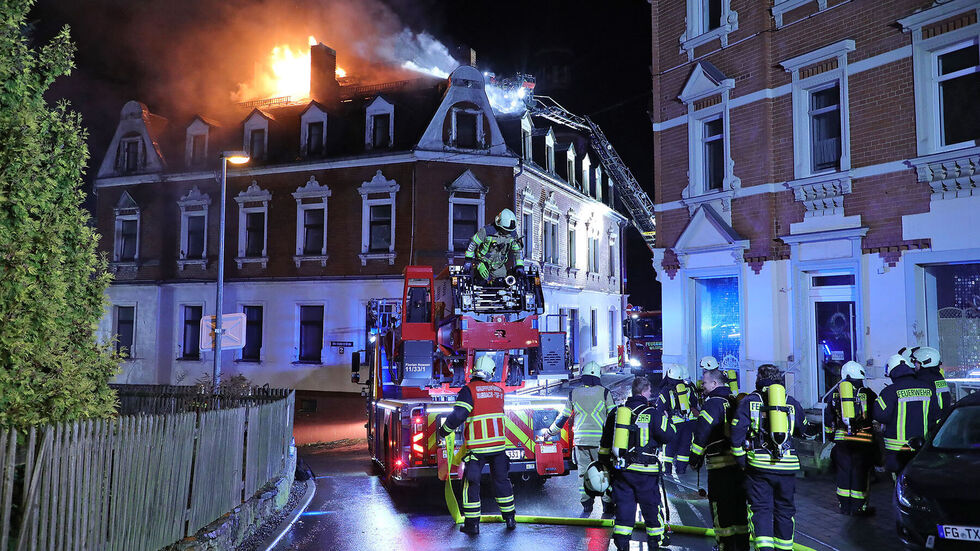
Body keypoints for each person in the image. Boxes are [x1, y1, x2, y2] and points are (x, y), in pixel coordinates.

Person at [730, 364, 807, 551]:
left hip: (759, 466)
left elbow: (736, 433)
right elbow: (802, 429)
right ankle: (785, 548)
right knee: (785, 510)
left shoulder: (750, 401)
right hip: (787, 466)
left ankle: (764, 549)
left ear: (759, 378)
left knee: (761, 509)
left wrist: (742, 461)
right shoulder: (791, 402)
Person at [438, 355, 516, 534]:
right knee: (502, 481)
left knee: (471, 484)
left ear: (474, 370)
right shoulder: (498, 391)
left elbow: (458, 415)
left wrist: (444, 431)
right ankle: (510, 519)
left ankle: (472, 525)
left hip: (477, 450)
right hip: (498, 448)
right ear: (491, 372)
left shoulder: (469, 390)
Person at [599, 376, 674, 551]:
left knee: (624, 510)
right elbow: (668, 436)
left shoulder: (617, 414)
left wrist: (605, 467)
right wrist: (667, 420)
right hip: (646, 473)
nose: (650, 394)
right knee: (651, 509)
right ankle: (655, 543)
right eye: (649, 391)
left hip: (622, 472)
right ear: (644, 392)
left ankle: (622, 545)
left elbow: (604, 445)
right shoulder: (653, 413)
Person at [688, 368, 749, 551]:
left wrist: (694, 457)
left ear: (714, 384)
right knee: (739, 508)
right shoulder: (734, 401)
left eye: (705, 383)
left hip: (719, 466)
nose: (702, 386)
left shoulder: (712, 404)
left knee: (721, 509)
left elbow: (702, 433)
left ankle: (725, 546)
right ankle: (742, 546)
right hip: (738, 466)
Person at [545, 361, 616, 513]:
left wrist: (549, 432)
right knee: (604, 471)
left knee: (583, 473)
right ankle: (607, 504)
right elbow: (613, 417)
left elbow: (562, 418)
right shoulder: (604, 393)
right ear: (597, 376)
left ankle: (586, 503)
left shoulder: (574, 394)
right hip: (600, 442)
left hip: (581, 441)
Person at [823, 361, 878, 516]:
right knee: (860, 473)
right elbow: (876, 414)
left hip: (842, 440)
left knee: (843, 473)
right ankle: (859, 507)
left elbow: (829, 418)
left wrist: (831, 434)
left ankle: (844, 505)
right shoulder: (868, 393)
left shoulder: (835, 393)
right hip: (864, 440)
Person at [872, 354, 939, 474]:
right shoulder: (928, 389)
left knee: (900, 484)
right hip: (921, 447)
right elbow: (936, 416)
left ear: (892, 372)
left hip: (897, 450)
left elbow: (880, 415)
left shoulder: (889, 391)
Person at [462, 208, 524, 282]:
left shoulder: (513, 235)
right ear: (499, 225)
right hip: (482, 263)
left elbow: (517, 251)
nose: (507, 232)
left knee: (501, 283)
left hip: (498, 266)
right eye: (505, 230)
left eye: (509, 231)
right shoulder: (487, 231)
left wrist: (519, 266)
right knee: (481, 280)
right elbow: (473, 243)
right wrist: (468, 260)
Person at [657, 364, 697, 475]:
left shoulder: (666, 390)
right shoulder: (689, 389)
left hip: (673, 424)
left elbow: (660, 408)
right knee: (684, 447)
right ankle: (681, 469)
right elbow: (694, 404)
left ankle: (667, 470)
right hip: (688, 423)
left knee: (669, 447)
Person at [912, 346, 951, 423]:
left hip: (932, 421)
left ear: (924, 362)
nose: (914, 365)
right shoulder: (938, 376)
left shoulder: (923, 379)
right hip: (943, 419)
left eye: (916, 362)